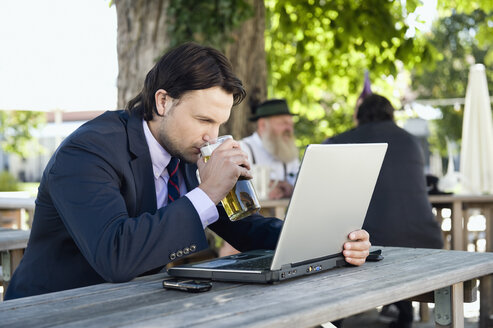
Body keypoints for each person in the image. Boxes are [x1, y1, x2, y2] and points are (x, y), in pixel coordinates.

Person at [5, 43, 371, 300]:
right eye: (203, 119)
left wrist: (328, 242)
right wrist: (208, 192)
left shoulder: (184, 149)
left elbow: (244, 227)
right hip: (54, 309)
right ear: (163, 101)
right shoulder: (88, 151)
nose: (212, 136)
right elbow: (115, 256)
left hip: (132, 305)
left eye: (220, 123)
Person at [324, 94, 443, 328]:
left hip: (375, 243)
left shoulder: (339, 142)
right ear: (391, 115)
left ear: (359, 116)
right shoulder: (411, 142)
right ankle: (403, 313)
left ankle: (331, 318)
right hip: (428, 239)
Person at [239, 99, 300, 199]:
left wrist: (290, 188)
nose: (289, 129)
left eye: (290, 124)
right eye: (283, 123)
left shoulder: (290, 152)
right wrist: (265, 190)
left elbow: (300, 184)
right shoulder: (242, 149)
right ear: (262, 125)